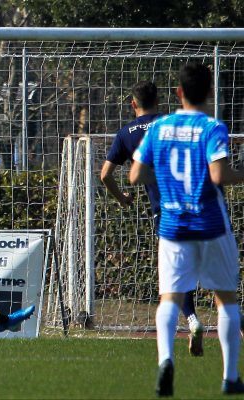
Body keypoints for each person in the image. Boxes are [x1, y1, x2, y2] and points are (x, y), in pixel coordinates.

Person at [130, 62, 244, 396]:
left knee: (169, 297)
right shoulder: (212, 128)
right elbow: (219, 175)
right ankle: (230, 377)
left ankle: (166, 359)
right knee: (226, 299)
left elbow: (135, 175)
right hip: (210, 224)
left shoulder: (159, 127)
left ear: (178, 92)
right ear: (210, 92)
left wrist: (166, 182)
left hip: (173, 225)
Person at [101, 81, 204, 357]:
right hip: (199, 206)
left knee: (173, 276)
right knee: (216, 279)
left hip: (166, 212)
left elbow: (105, 175)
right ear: (158, 101)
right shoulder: (171, 123)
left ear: (133, 104)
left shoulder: (126, 134)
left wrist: (122, 198)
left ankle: (190, 325)